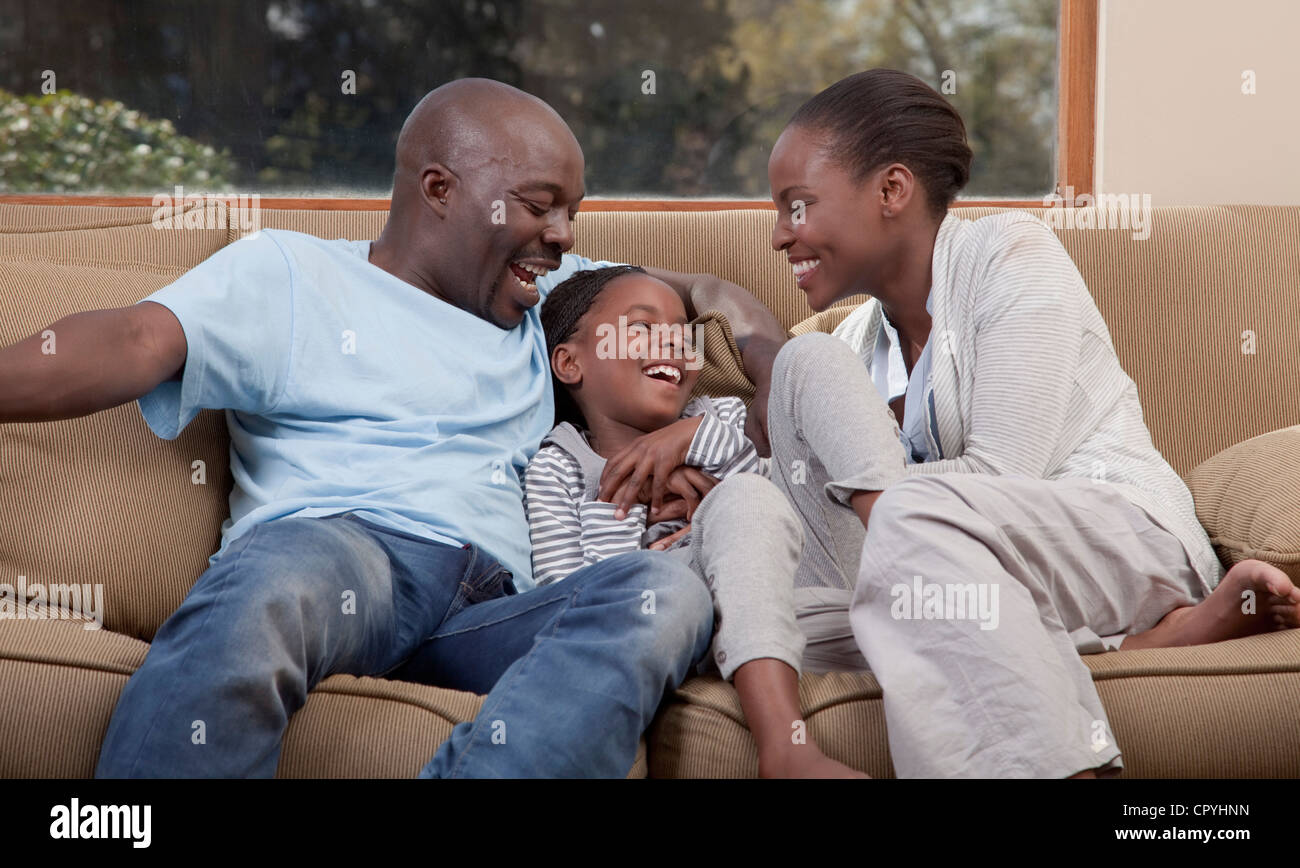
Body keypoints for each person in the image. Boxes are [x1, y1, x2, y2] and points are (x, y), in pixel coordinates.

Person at [0, 78, 790, 778]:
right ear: (440, 189)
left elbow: (713, 289)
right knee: (273, 581)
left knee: (667, 590)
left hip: (496, 602)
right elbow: (134, 340)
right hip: (346, 557)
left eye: (572, 213)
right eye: (539, 203)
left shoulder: (547, 295)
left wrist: (769, 378)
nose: (563, 235)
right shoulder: (291, 273)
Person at [693, 68, 1300, 778]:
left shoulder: (1012, 255)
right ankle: (1146, 644)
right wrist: (710, 449)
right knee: (751, 607)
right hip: (950, 573)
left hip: (1112, 534)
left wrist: (870, 484)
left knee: (906, 515)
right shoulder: (856, 343)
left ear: (892, 191)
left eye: (798, 207)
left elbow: (1001, 478)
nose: (778, 237)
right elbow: (820, 511)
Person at [525, 264, 865, 777]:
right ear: (570, 363)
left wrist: (693, 438)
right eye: (639, 328)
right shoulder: (560, 465)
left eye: (683, 332)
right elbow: (569, 600)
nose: (671, 342)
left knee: (753, 498)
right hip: (683, 633)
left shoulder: (725, 418)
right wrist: (625, 502)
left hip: (788, 608)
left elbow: (788, 510)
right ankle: (786, 749)